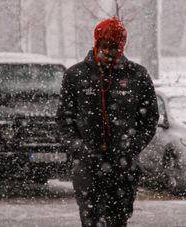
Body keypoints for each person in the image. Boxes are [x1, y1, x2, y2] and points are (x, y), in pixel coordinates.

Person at [57, 17, 159, 227]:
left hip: (123, 167)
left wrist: (131, 147)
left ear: (123, 46)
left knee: (118, 220)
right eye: (106, 46)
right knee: (91, 220)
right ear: (96, 43)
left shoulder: (137, 75)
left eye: (116, 47)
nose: (111, 52)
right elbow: (64, 120)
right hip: (87, 166)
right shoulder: (75, 75)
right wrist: (78, 147)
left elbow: (149, 119)